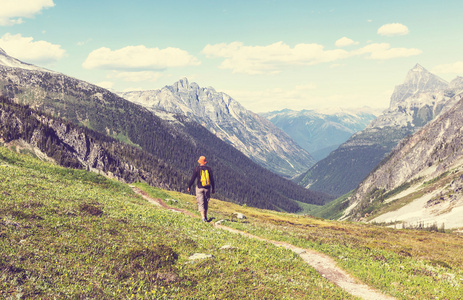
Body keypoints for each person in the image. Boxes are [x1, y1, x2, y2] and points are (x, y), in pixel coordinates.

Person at [187, 156, 215, 222]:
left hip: (199, 188)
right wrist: (213, 188)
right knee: (206, 202)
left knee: (200, 202)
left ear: (199, 162)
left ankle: (203, 218)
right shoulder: (209, 169)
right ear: (205, 162)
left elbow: (193, 178)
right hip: (207, 188)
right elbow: (212, 179)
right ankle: (205, 215)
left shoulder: (197, 169)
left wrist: (189, 186)